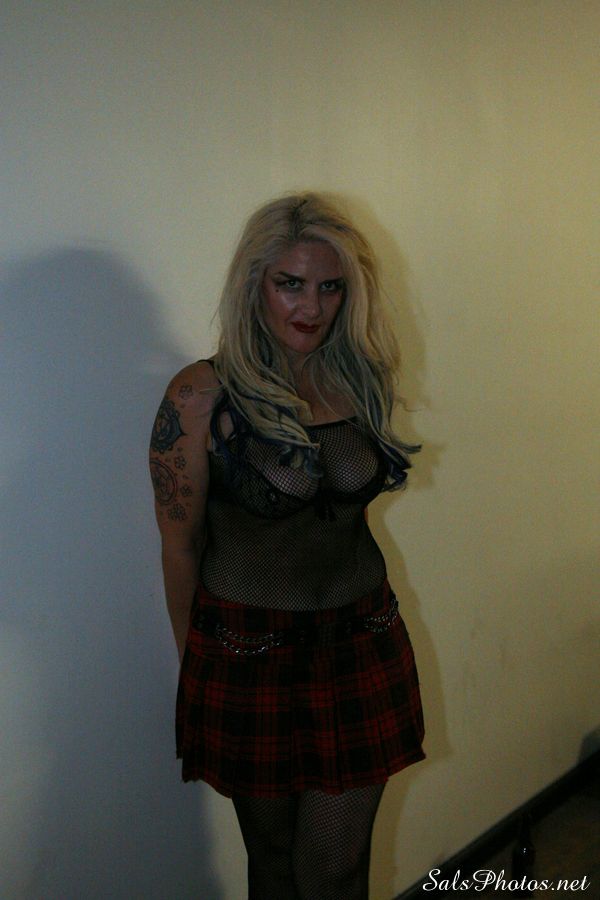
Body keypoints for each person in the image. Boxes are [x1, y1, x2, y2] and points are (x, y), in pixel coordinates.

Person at [149, 192, 425, 900]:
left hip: (362, 641)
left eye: (330, 287)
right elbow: (180, 547)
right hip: (248, 654)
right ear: (254, 284)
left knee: (337, 869)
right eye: (291, 284)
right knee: (272, 864)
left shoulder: (358, 378)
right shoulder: (198, 396)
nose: (312, 306)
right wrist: (193, 662)